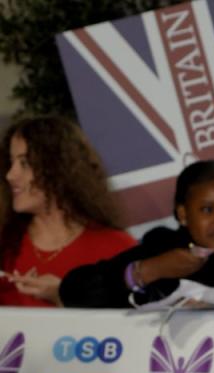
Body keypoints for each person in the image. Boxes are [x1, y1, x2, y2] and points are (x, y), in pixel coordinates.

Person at [59, 160, 214, 310]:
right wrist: (147, 271)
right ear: (183, 213)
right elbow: (72, 293)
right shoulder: (160, 247)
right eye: (207, 209)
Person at [0, 115, 135, 306]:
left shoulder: (116, 247)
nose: (10, 175)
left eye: (24, 163)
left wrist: (65, 296)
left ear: (58, 169)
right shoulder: (5, 245)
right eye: (11, 162)